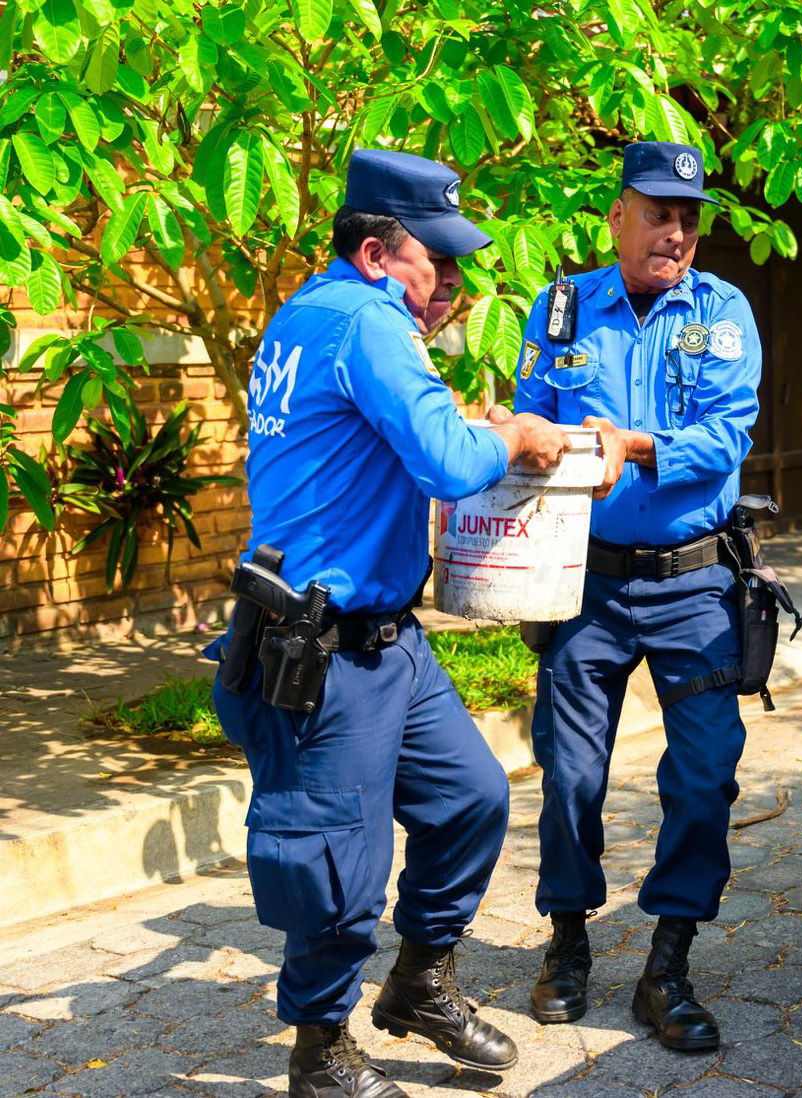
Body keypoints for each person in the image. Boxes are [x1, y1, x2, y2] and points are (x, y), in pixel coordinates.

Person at [206, 149, 580, 1098]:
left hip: (389, 643)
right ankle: (320, 1054)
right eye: (436, 262)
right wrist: (516, 433)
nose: (451, 283)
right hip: (324, 651)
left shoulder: (316, 314)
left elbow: (393, 436)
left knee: (471, 800)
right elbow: (455, 464)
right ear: (377, 254)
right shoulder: (367, 322)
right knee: (338, 869)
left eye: (458, 267)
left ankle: (418, 983)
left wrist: (461, 420)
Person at [513, 141, 761, 1052]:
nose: (677, 232)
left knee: (704, 778)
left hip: (694, 584)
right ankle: (568, 941)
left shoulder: (722, 311)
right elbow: (533, 409)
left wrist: (635, 446)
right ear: (617, 217)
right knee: (571, 774)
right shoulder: (565, 304)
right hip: (588, 581)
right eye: (658, 212)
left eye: (690, 218)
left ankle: (668, 963)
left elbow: (725, 435)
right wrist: (528, 430)